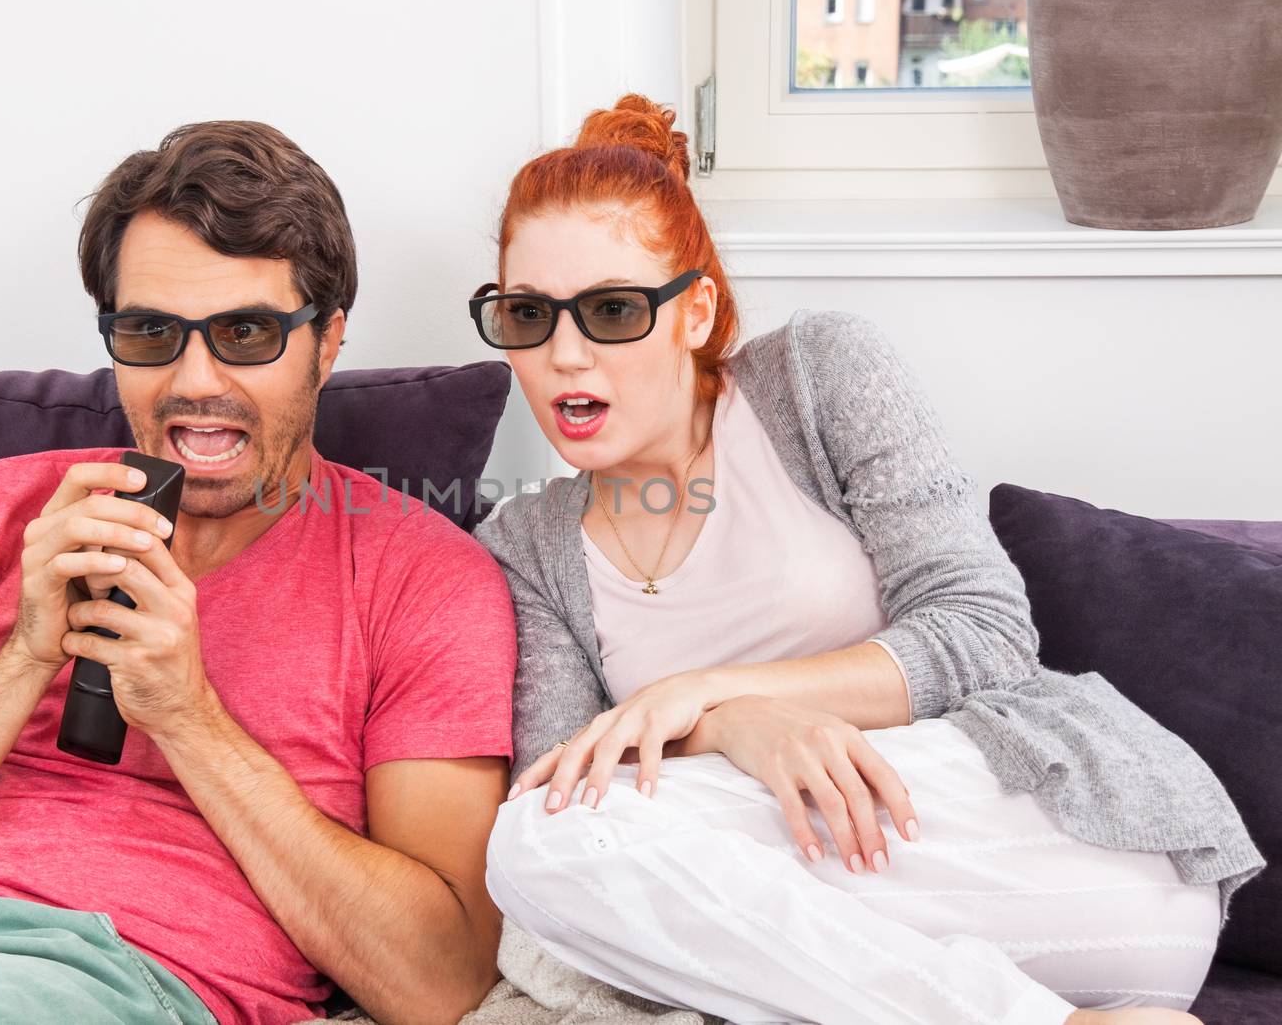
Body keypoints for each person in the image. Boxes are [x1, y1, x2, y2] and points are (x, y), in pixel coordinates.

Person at [0, 121, 517, 1025]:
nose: (195, 379)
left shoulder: (425, 578)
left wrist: (187, 715)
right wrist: (23, 657)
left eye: (245, 331)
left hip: (97, 975)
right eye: (153, 331)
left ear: (329, 339)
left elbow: (441, 982)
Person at [471, 93, 1265, 1025]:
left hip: (1055, 841)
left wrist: (714, 693)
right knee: (540, 841)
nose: (565, 355)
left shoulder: (819, 375)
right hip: (844, 910)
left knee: (555, 855)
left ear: (696, 312)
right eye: (528, 314)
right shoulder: (525, 543)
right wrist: (737, 729)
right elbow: (571, 777)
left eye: (610, 310)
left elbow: (985, 629)